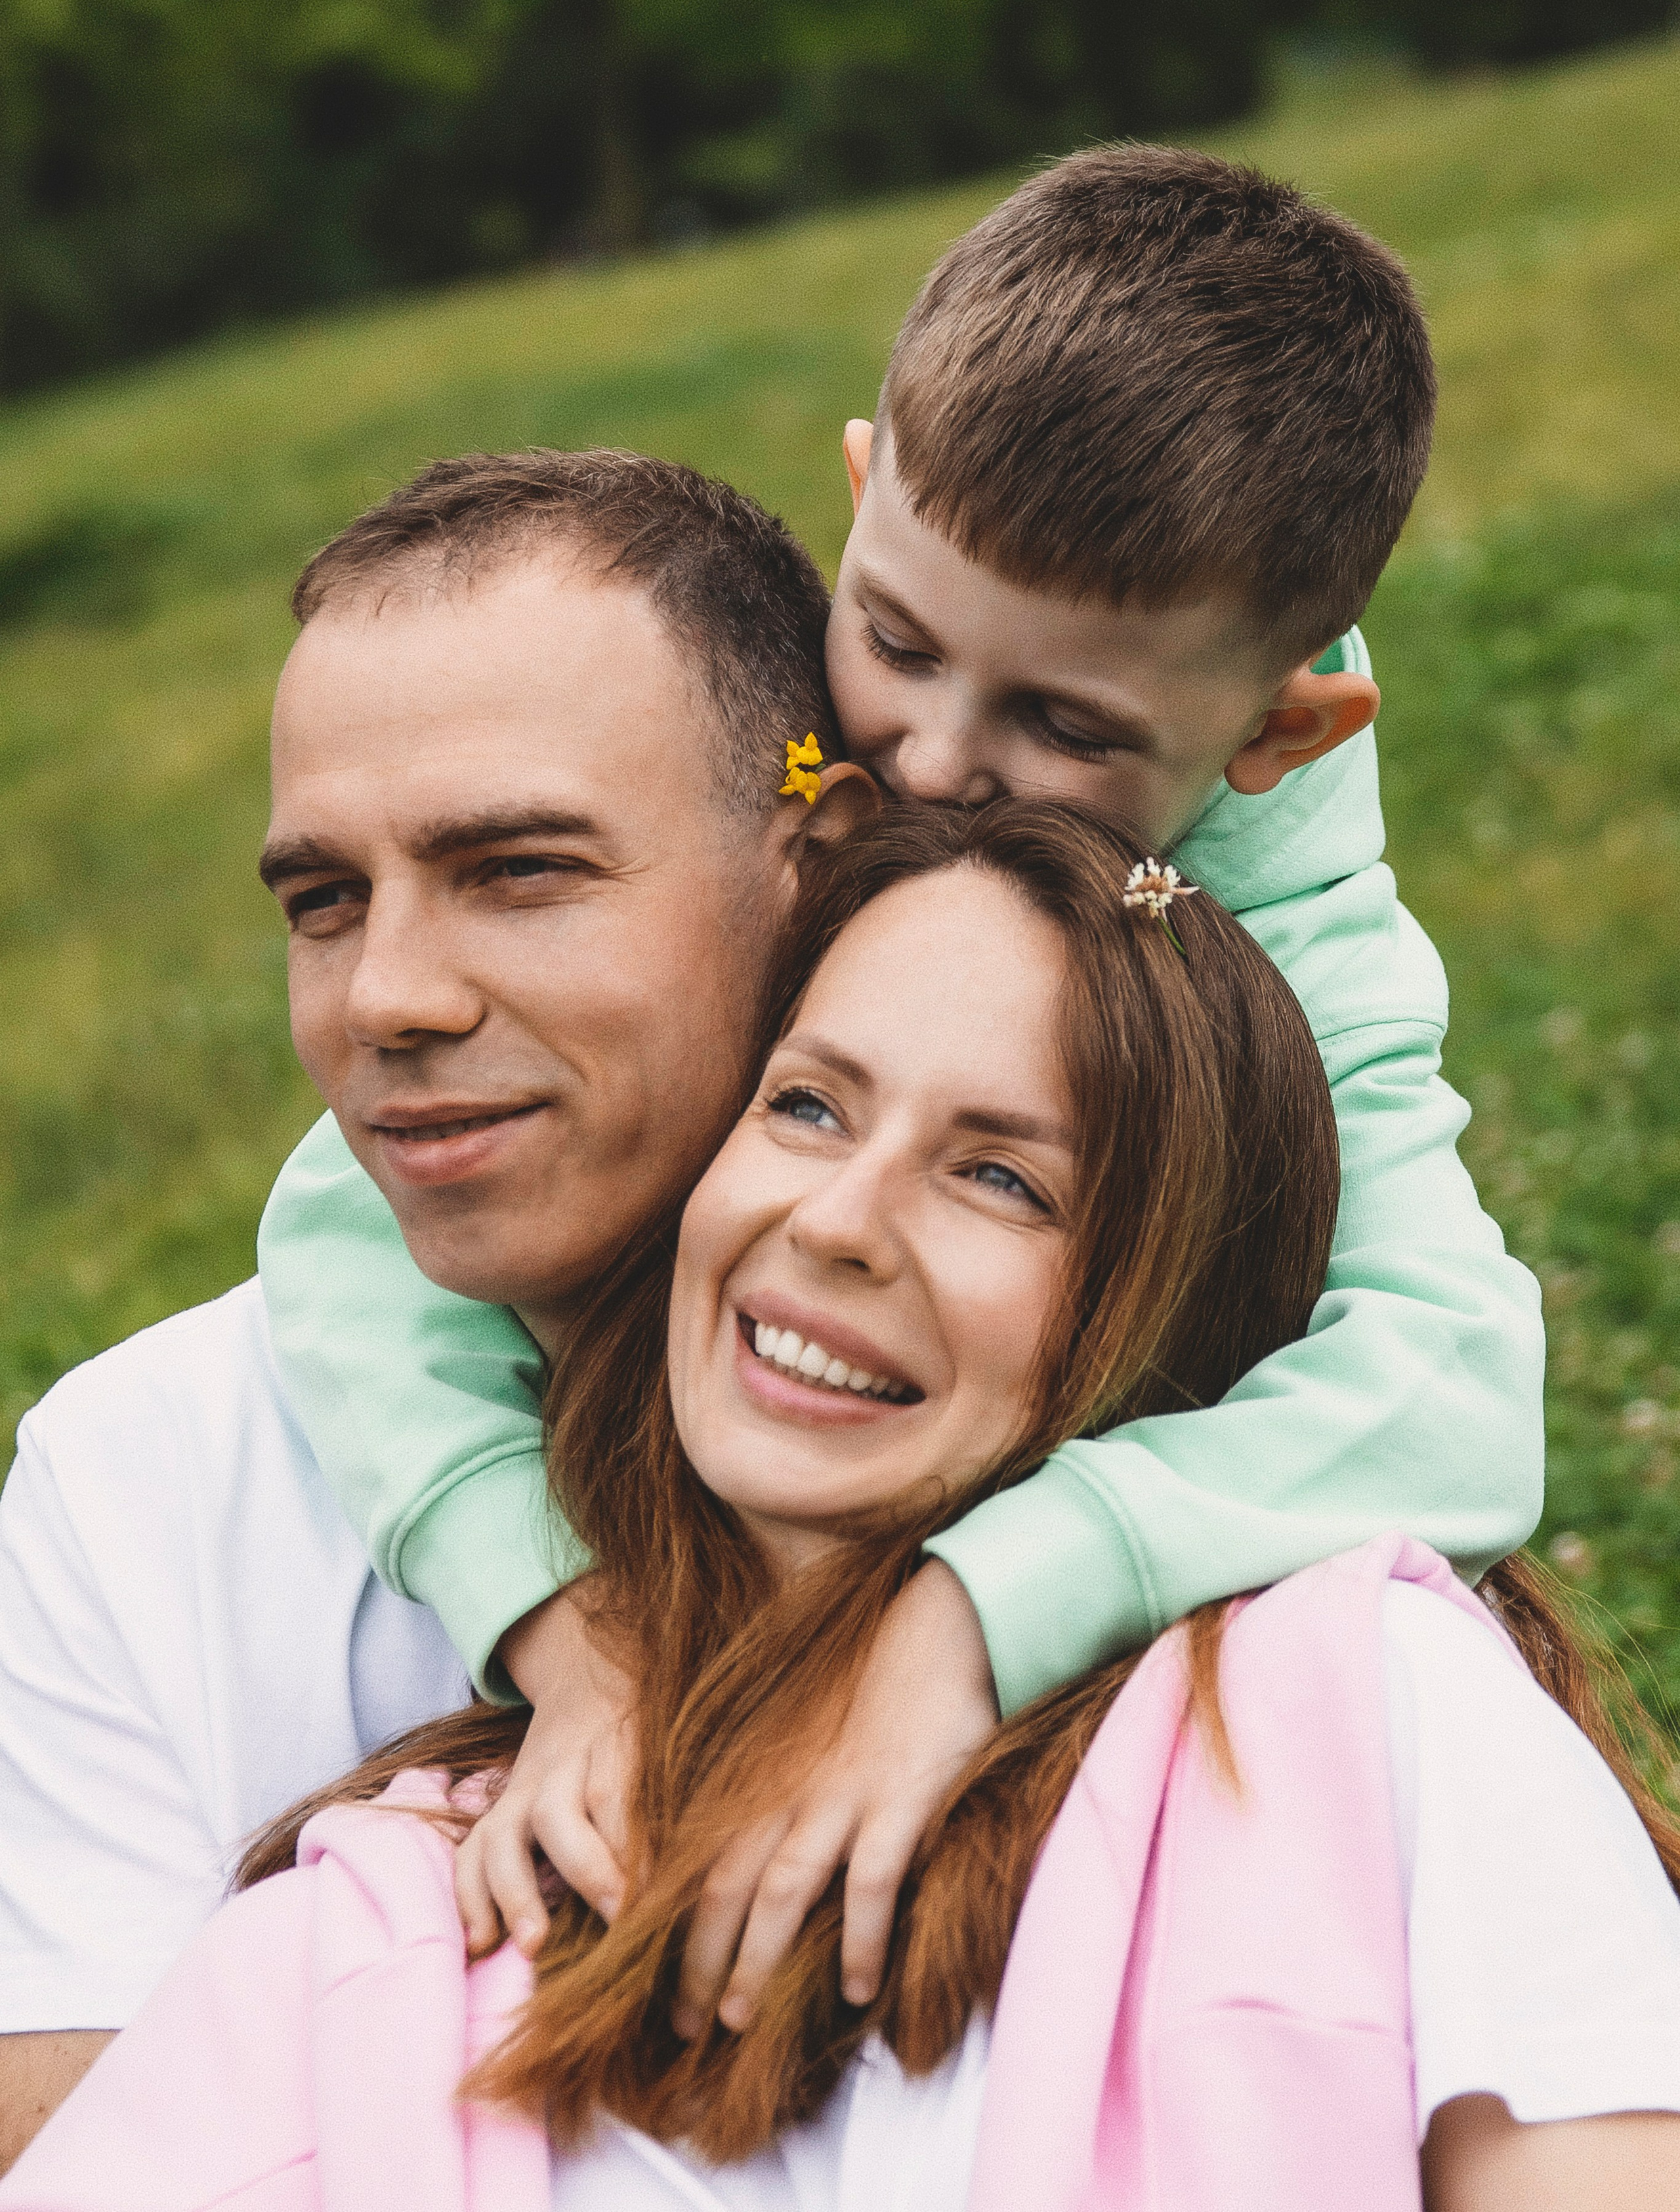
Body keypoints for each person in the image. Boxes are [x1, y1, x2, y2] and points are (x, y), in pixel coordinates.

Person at [250, 145, 1544, 2016]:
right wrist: (567, 1622)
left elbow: (1458, 1387)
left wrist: (971, 1616)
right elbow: (346, 1207)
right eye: (900, 642)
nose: (933, 767)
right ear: (867, 494)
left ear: (1278, 728)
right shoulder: (818, 768)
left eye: (1066, 728)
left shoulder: (1303, 935)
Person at [5, 803, 1677, 2212]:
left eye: (1000, 1176)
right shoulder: (380, 1930)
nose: (838, 1221)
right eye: (805, 1106)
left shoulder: (1352, 1718)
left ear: (1161, 1320)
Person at [0, 455, 877, 2169]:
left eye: (519, 869)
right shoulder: (140, 1479)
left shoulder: (1054, 1384)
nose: (385, 998)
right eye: (324, 900)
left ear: (816, 866)